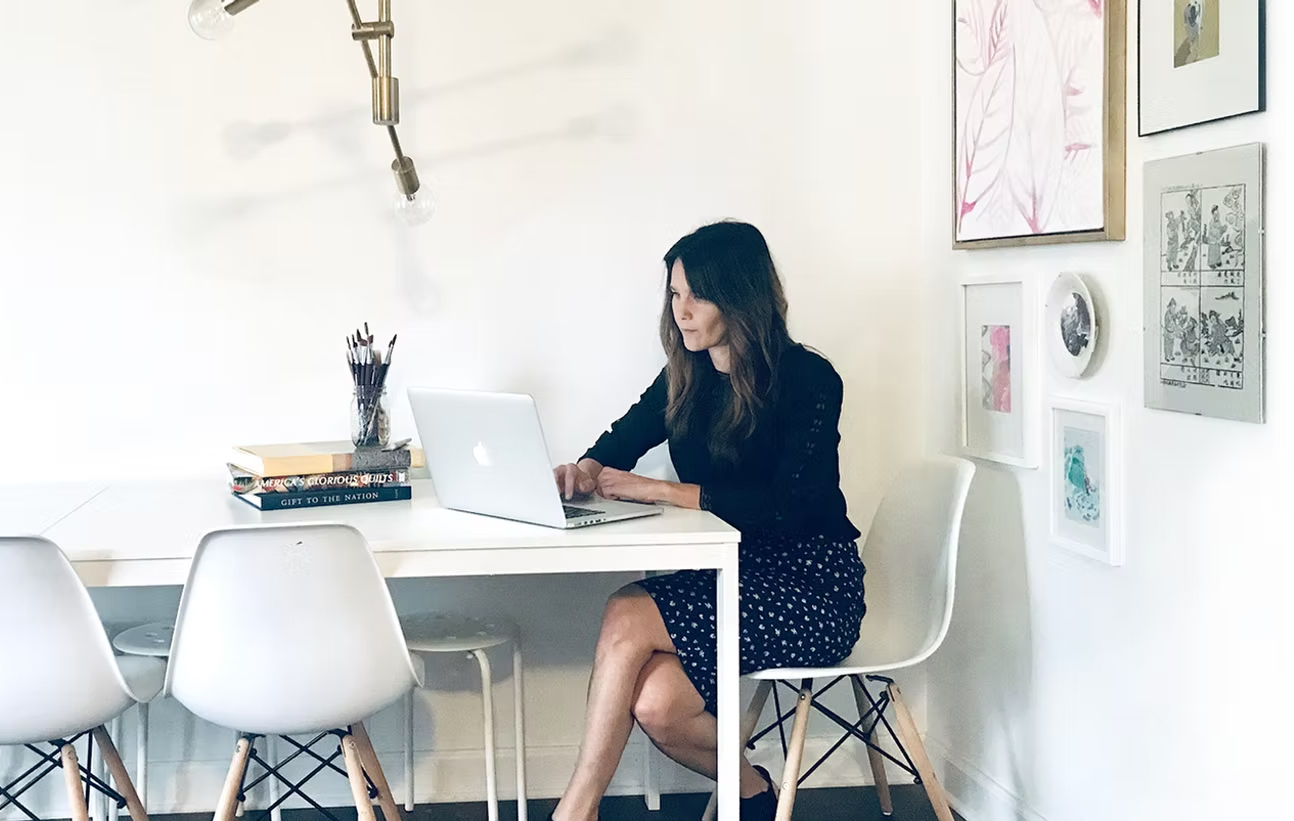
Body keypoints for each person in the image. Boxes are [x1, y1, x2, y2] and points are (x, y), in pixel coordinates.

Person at [548, 220, 866, 821]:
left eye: (698, 296)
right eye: (675, 294)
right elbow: (623, 439)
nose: (682, 311)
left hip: (812, 586)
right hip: (730, 577)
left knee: (626, 611)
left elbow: (787, 506)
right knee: (658, 704)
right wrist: (584, 470)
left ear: (740, 298)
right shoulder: (686, 375)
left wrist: (663, 491)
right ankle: (754, 797)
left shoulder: (808, 380)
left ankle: (575, 811)